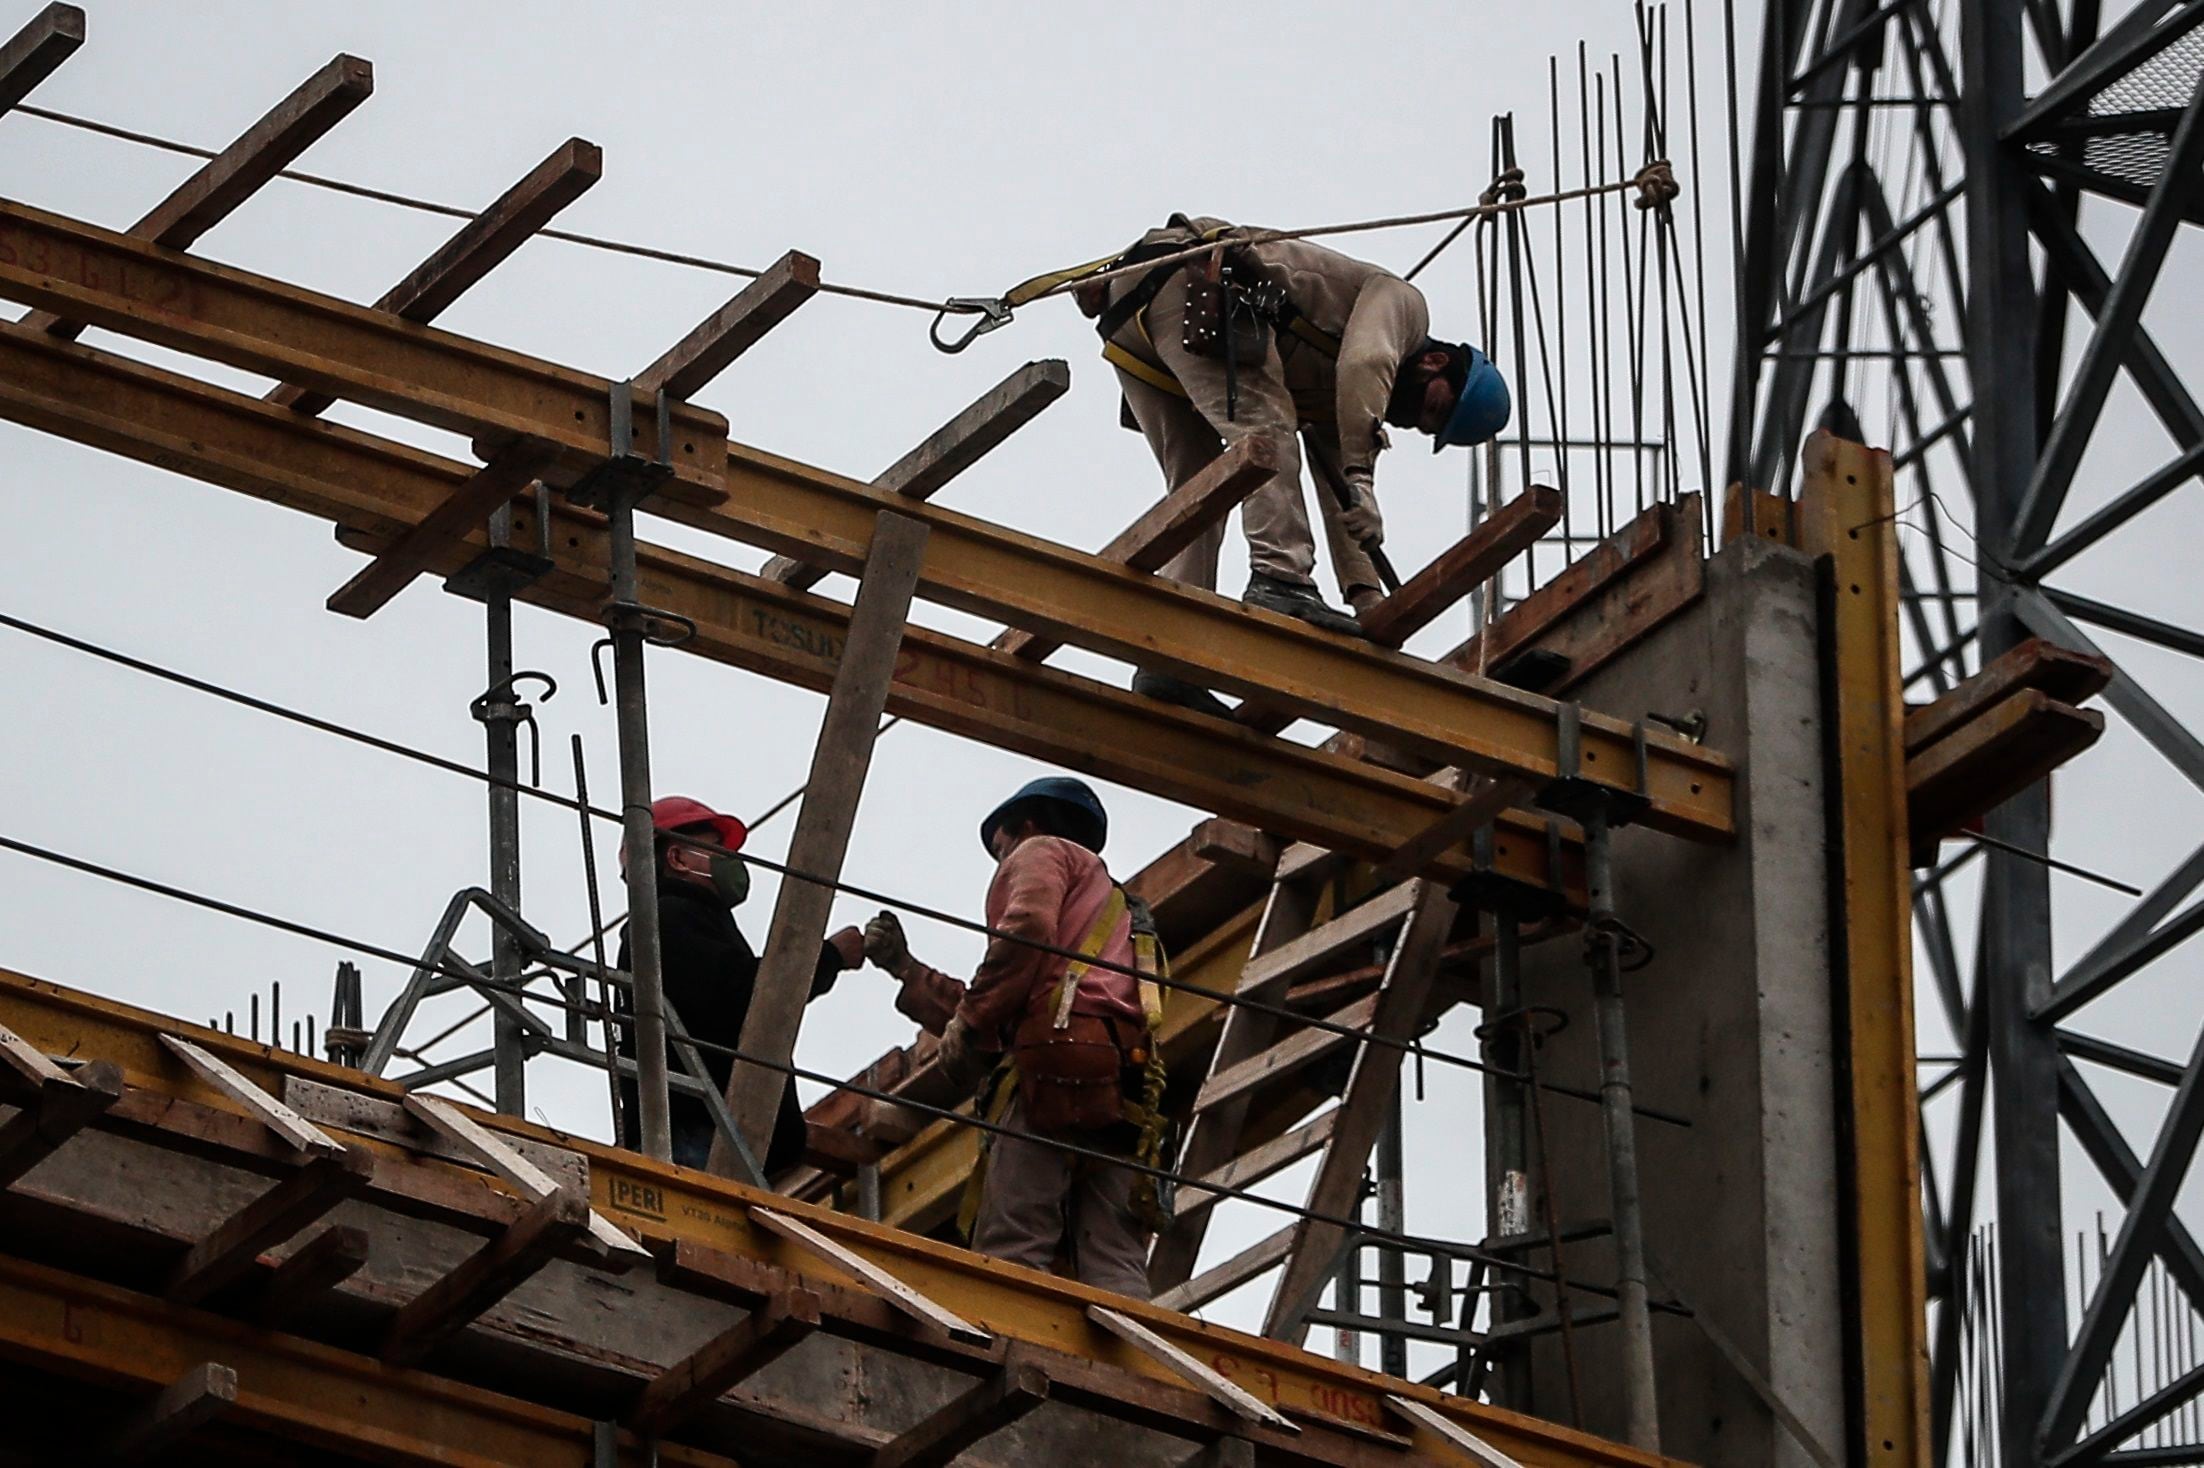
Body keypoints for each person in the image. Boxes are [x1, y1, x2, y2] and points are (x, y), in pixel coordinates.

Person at [1084, 213, 1512, 715]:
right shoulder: (1404, 308)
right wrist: (1362, 477)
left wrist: (1367, 601)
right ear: (1436, 363)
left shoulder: (1342, 405)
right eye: (1433, 407)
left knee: (1203, 487)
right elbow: (1364, 363)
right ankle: (1280, 577)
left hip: (1140, 318)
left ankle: (1168, 653)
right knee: (1266, 437)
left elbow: (1341, 496)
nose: (1415, 417)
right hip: (1194, 283)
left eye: (1426, 426)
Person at [862, 776, 1168, 1298]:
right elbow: (1022, 999)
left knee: (1014, 1245)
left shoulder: (1041, 849)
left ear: (1024, 825)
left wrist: (970, 1022)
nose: (1001, 862)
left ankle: (1011, 1349)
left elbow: (1024, 932)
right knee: (1116, 1262)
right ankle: (1132, 1368)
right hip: (1123, 1085)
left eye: (999, 848)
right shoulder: (1117, 910)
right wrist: (908, 972)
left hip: (1052, 1067)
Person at [613, 795, 863, 1175]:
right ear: (676, 859)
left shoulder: (689, 923)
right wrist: (830, 957)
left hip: (712, 1135)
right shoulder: (670, 919)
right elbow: (749, 996)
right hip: (698, 1137)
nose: (731, 860)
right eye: (716, 849)